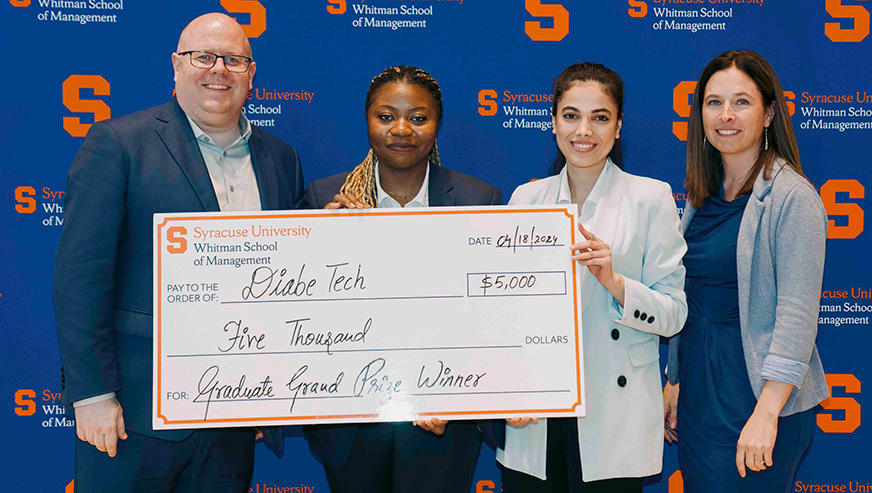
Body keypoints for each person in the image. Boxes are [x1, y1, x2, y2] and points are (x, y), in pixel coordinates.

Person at [53, 13, 303, 491]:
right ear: (176, 65)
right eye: (203, 56)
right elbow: (80, 277)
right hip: (132, 416)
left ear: (251, 73)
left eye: (234, 59)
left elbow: (286, 284)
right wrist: (92, 395)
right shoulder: (120, 144)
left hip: (234, 415)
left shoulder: (280, 158)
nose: (218, 70)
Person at [301, 65, 502, 493]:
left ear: (437, 125)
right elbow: (300, 311)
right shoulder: (325, 198)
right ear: (368, 120)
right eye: (386, 116)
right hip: (350, 420)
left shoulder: (476, 200)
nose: (401, 130)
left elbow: (489, 318)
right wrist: (319, 246)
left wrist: (454, 392)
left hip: (443, 420)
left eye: (418, 117)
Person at [495, 62, 688, 492]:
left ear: (618, 126)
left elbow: (675, 314)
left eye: (600, 117)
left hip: (614, 417)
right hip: (536, 414)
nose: (584, 130)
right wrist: (509, 388)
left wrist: (616, 283)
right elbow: (503, 315)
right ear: (553, 122)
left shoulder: (650, 198)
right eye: (571, 115)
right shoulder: (525, 200)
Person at [663, 50, 828, 492]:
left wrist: (768, 412)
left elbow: (797, 314)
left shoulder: (793, 198)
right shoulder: (701, 194)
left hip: (756, 400)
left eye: (742, 102)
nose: (725, 115)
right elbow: (690, 295)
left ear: (769, 112)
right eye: (714, 102)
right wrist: (675, 380)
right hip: (698, 396)